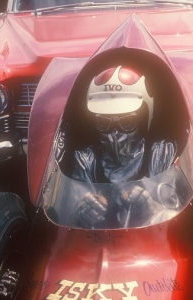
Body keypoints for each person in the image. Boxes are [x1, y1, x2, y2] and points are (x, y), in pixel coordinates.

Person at [57, 66, 178, 228]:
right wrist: (82, 211)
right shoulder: (86, 158)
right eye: (104, 123)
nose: (114, 134)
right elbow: (67, 214)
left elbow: (174, 211)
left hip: (151, 241)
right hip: (99, 241)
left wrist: (153, 209)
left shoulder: (160, 153)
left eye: (127, 122)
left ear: (144, 118)